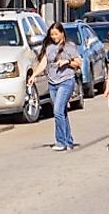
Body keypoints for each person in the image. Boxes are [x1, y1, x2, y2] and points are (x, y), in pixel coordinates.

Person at [31, 22, 84, 153]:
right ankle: (68, 140)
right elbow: (44, 62)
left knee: (57, 111)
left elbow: (78, 63)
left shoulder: (69, 46)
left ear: (62, 33)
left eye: (56, 34)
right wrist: (34, 75)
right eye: (52, 35)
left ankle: (61, 141)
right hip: (52, 83)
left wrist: (67, 62)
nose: (54, 37)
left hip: (66, 81)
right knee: (62, 113)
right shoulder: (49, 47)